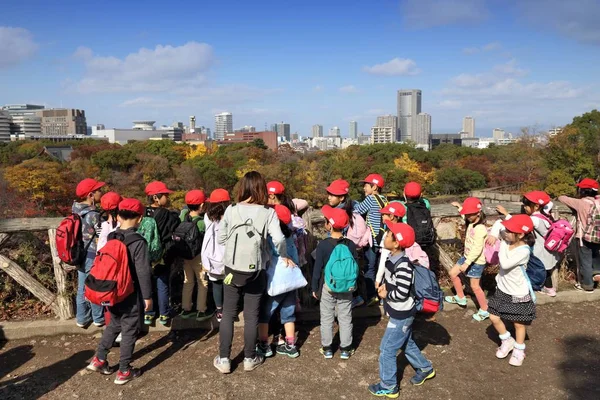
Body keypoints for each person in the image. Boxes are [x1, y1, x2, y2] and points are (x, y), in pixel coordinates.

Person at [214, 171, 293, 374]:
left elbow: (221, 237)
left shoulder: (231, 210)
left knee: (229, 314)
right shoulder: (268, 212)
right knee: (251, 316)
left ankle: (224, 359)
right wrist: (283, 255)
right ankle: (249, 358)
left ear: (242, 187)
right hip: (256, 269)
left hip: (232, 269)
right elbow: (279, 239)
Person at [86, 198, 153, 385]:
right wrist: (148, 296)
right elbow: (143, 271)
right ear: (140, 218)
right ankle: (124, 370)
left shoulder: (112, 236)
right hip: (130, 292)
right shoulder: (138, 242)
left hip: (112, 291)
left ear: (119, 215)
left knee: (114, 324)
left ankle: (99, 359)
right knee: (130, 329)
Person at [368, 222, 435, 398]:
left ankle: (389, 386)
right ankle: (425, 368)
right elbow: (394, 284)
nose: (385, 235)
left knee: (387, 349)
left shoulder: (403, 265)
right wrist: (385, 287)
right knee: (406, 342)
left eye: (389, 233)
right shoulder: (392, 258)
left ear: (396, 243)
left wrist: (386, 295)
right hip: (399, 312)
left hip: (402, 314)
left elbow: (402, 293)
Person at [487, 214, 536, 367]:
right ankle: (506, 339)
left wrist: (501, 241)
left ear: (520, 234)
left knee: (519, 324)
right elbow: (498, 223)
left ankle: (519, 349)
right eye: (506, 229)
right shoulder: (509, 239)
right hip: (502, 288)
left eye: (509, 231)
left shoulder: (524, 251)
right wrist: (495, 234)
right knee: (494, 317)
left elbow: (505, 263)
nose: (505, 232)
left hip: (518, 292)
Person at [492, 191, 561, 296]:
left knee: (536, 270)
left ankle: (534, 287)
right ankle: (550, 289)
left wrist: (505, 214)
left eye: (527, 206)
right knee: (545, 271)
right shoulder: (546, 216)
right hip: (548, 251)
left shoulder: (534, 219)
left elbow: (519, 224)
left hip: (539, 252)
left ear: (536, 206)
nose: (524, 208)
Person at [312, 205, 358, 360]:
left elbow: (317, 269)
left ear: (329, 225)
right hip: (347, 287)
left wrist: (314, 287)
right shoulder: (350, 244)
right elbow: (356, 266)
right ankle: (345, 349)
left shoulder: (323, 245)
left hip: (328, 286)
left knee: (326, 317)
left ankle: (327, 349)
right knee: (345, 316)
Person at [257, 204, 301, 359]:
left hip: (275, 281)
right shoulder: (290, 238)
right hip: (291, 281)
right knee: (288, 315)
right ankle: (291, 346)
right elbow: (295, 259)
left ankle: (263, 344)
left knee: (265, 313)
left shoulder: (270, 238)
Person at [445, 197, 490, 322]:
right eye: (467, 214)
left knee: (475, 287)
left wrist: (467, 263)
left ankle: (485, 309)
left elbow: (477, 249)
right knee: (453, 273)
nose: (468, 216)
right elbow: (464, 217)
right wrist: (459, 207)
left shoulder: (480, 228)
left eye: (470, 214)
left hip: (476, 262)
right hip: (467, 257)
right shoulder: (471, 222)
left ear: (478, 213)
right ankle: (460, 296)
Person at [144, 181, 180, 325]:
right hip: (161, 255)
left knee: (147, 284)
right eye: (165, 195)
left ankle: (148, 313)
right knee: (162, 283)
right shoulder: (167, 214)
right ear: (156, 197)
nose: (168, 197)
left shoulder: (142, 213)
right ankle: (164, 314)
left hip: (144, 254)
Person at [375, 202, 430, 291]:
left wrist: (378, 279)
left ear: (392, 216)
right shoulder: (406, 229)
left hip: (393, 277)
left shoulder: (390, 234)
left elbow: (383, 259)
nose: (381, 216)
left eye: (384, 214)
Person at [73, 178, 106, 328]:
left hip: (78, 253)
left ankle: (82, 317)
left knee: (82, 287)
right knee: (94, 286)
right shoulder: (94, 214)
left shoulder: (75, 210)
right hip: (91, 254)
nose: (101, 192)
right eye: (99, 190)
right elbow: (101, 236)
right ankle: (98, 318)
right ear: (91, 195)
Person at [558, 178, 600, 293]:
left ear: (583, 191)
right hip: (598, 236)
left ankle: (587, 285)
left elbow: (561, 198)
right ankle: (597, 273)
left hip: (584, 237)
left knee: (585, 261)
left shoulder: (580, 203)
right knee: (596, 257)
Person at [354, 174, 388, 308]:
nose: (364, 188)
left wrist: (353, 204)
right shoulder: (384, 199)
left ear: (374, 187)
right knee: (383, 267)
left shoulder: (370, 199)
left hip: (373, 239)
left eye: (366, 185)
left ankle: (371, 296)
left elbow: (357, 210)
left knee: (370, 267)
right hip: (384, 239)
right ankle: (382, 296)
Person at [179, 189, 213, 321]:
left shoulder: (183, 217)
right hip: (198, 256)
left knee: (187, 281)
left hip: (185, 255)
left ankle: (186, 308)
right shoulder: (200, 222)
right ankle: (201, 310)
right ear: (202, 206)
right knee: (202, 282)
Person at [202, 188, 231, 323]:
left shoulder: (208, 217)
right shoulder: (231, 216)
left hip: (212, 256)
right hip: (229, 256)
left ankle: (220, 311)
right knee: (229, 283)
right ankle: (231, 310)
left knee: (216, 284)